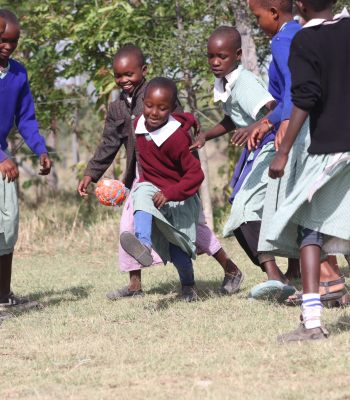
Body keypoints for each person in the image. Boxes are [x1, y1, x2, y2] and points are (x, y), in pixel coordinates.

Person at [78, 44, 243, 299]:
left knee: (193, 233)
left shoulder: (159, 93)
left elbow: (181, 128)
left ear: (143, 71)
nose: (124, 81)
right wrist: (91, 173)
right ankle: (135, 284)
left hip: (178, 181)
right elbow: (109, 143)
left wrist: (178, 188)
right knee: (129, 224)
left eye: (129, 75)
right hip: (144, 178)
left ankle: (229, 269)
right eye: (119, 76)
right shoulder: (118, 109)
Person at [248, 0, 346, 304]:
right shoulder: (345, 28)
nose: (256, 21)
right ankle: (331, 285)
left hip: (321, 143)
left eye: (256, 16)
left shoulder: (295, 39)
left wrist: (284, 141)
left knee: (308, 219)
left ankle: (320, 302)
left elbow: (301, 93)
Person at [191, 25, 296, 301]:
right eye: (211, 56)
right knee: (271, 208)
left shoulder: (246, 83)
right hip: (256, 151)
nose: (215, 62)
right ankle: (290, 270)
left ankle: (275, 275)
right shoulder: (228, 82)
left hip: (270, 148)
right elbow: (233, 117)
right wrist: (206, 136)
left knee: (244, 210)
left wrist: (258, 129)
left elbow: (272, 109)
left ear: (237, 55)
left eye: (221, 57)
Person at [120, 77, 206, 301]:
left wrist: (170, 193)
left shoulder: (176, 138)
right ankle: (144, 245)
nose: (154, 113)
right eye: (149, 105)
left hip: (178, 200)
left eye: (162, 108)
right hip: (153, 193)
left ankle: (188, 287)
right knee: (140, 191)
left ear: (171, 108)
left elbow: (196, 174)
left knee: (178, 251)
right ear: (143, 103)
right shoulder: (139, 124)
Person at [0, 10, 52, 309]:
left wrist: (41, 149)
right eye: (2, 40)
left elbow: (27, 119)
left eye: (13, 41)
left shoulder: (18, 73)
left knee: (7, 227)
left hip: (3, 159)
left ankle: (3, 297)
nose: (8, 46)